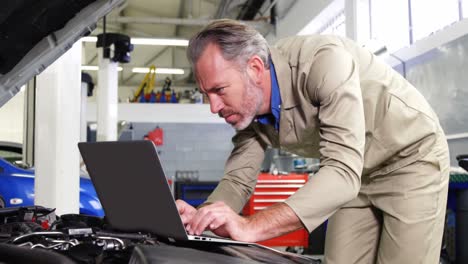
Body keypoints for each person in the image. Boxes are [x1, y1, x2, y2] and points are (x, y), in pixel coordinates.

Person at [176, 19, 449, 264]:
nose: (213, 106)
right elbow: (237, 182)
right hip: (359, 174)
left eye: (219, 90)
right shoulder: (250, 114)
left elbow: (341, 173)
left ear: (255, 69)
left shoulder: (323, 62)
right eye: (206, 93)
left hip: (410, 158)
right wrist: (202, 217)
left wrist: (250, 226)